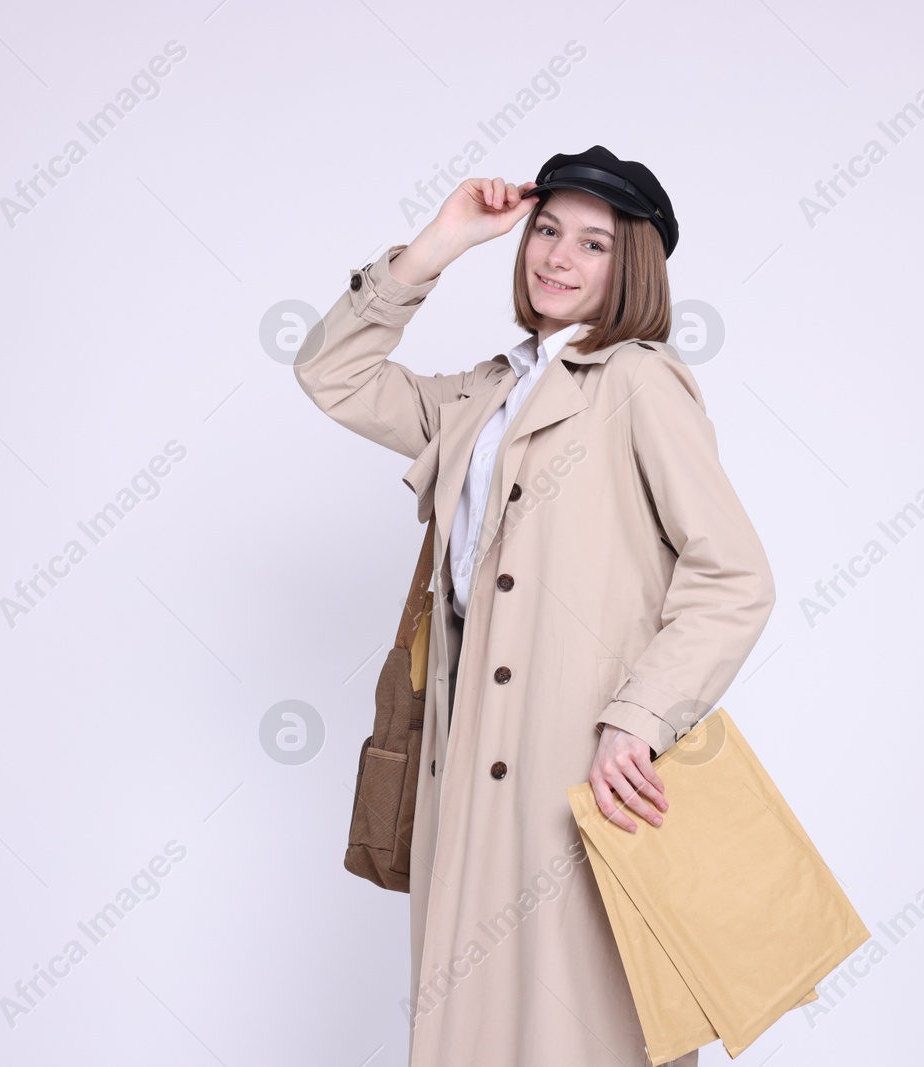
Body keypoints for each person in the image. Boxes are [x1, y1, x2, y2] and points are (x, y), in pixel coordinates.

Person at [294, 146, 776, 1067]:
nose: (557, 257)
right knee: (470, 1028)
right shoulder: (483, 392)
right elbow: (332, 375)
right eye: (546, 230)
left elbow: (734, 573)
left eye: (592, 243)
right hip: (460, 755)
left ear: (629, 266)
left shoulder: (637, 382)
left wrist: (637, 720)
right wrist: (440, 242)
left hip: (574, 761)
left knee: (584, 1028)